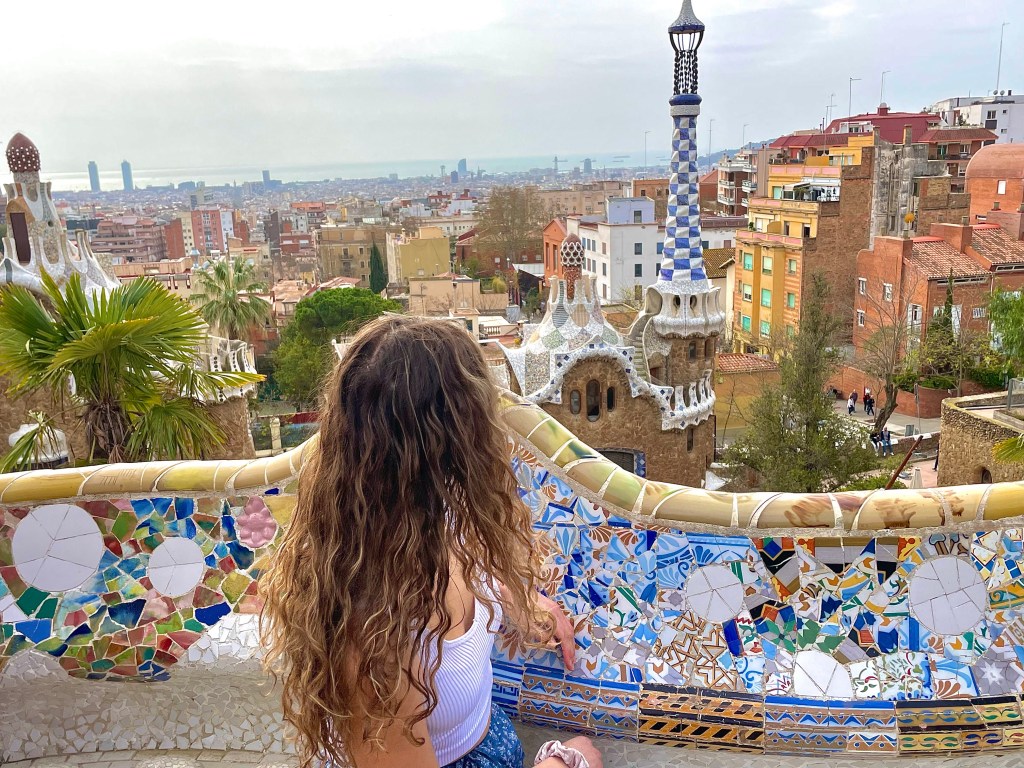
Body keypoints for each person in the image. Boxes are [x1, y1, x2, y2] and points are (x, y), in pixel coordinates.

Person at [260, 316, 602, 768]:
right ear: (453, 439)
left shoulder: (437, 509)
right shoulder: (374, 631)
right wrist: (561, 765)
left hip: (486, 738)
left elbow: (471, 570)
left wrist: (520, 601)